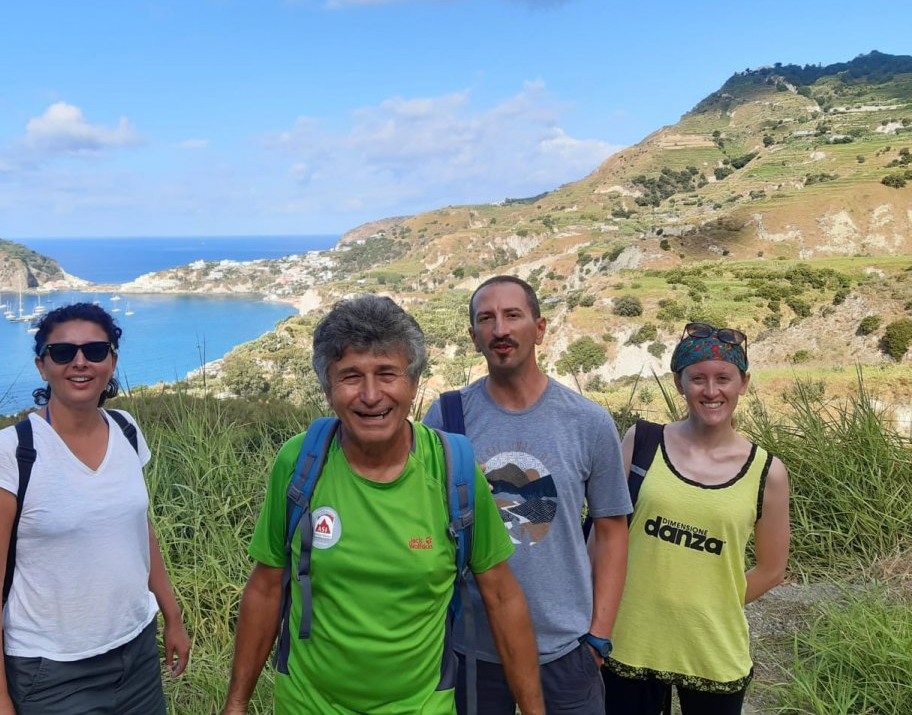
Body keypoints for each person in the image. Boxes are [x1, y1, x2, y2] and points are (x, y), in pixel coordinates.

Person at [222, 294, 545, 715]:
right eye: (351, 376)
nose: (371, 395)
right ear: (328, 389)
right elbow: (266, 587)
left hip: (420, 706)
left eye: (388, 374)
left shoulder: (455, 470)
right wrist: (235, 704)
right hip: (307, 703)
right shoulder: (300, 462)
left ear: (413, 383)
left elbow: (502, 597)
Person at [0, 302, 190, 715]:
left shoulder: (126, 429)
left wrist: (172, 615)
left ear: (112, 361)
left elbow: (139, 531)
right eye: (63, 352)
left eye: (95, 350)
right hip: (51, 670)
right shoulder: (12, 452)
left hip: (137, 651)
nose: (80, 362)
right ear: (42, 366)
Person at [423, 275, 630, 715]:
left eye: (512, 315)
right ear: (474, 338)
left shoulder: (588, 422)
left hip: (565, 646)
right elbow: (423, 522)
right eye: (486, 319)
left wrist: (599, 635)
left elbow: (612, 530)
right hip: (473, 647)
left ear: (539, 328)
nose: (500, 329)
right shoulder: (446, 417)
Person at [601, 322, 790, 715]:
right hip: (629, 640)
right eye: (698, 378)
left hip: (712, 648)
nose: (711, 391)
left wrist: (709, 601)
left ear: (743, 383)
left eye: (724, 378)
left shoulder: (767, 472)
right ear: (679, 383)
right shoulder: (641, 442)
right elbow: (605, 533)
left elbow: (772, 570)